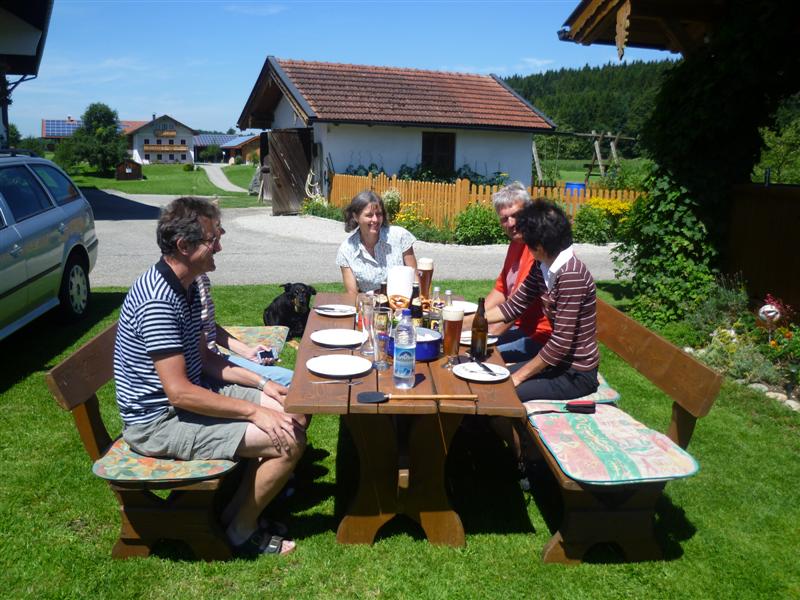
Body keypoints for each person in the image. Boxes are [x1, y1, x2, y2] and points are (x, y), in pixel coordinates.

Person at [113, 196, 305, 557]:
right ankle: (242, 531)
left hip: (189, 400)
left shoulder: (183, 286)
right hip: (158, 423)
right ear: (184, 247)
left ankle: (229, 516)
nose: (219, 246)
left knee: (293, 408)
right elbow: (179, 394)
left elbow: (205, 359)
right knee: (289, 439)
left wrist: (265, 385)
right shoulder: (158, 300)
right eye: (212, 239)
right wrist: (254, 411)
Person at [485, 182, 552, 363]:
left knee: (480, 355)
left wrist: (487, 334)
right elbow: (500, 290)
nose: (511, 223)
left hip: (542, 336)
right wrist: (475, 319)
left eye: (516, 215)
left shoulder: (538, 248)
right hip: (521, 328)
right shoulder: (516, 243)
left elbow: (517, 306)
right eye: (504, 219)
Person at [196, 272, 294, 387]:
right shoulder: (184, 288)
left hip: (217, 358)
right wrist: (263, 383)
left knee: (292, 379)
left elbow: (208, 325)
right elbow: (202, 362)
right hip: (205, 372)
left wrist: (247, 352)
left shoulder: (200, 277)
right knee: (290, 384)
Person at [336, 190, 417, 293]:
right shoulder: (346, 250)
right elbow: (352, 294)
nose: (375, 219)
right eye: (369, 215)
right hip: (368, 302)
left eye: (378, 214)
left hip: (403, 300)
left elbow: (416, 280)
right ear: (356, 217)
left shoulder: (400, 237)